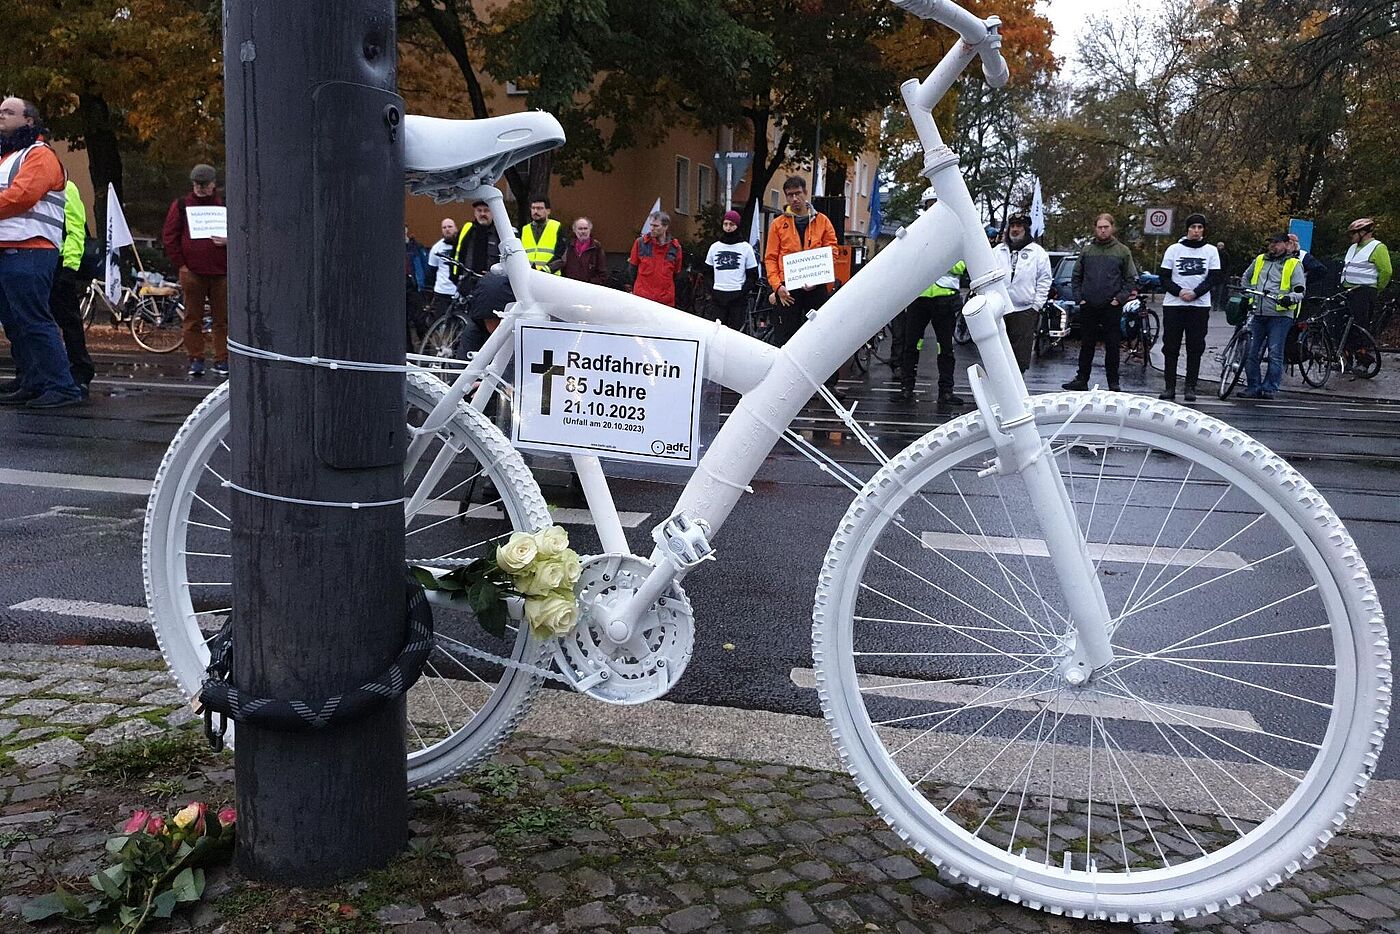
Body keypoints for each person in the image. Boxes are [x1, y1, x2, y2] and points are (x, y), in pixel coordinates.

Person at [0, 97, 84, 408]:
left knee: (34, 320)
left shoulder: (40, 155)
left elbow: (22, 196)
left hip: (31, 249)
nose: (1, 116)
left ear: (30, 121)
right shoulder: (11, 156)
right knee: (16, 322)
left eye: (9, 112)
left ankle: (62, 386)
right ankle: (33, 381)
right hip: (12, 250)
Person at [897, 189, 966, 407]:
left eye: (936, 204)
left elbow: (962, 265)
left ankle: (946, 391)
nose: (933, 208)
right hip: (920, 298)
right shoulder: (916, 232)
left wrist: (939, 260)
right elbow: (907, 261)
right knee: (910, 346)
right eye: (929, 204)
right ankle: (906, 389)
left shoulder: (955, 233)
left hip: (945, 299)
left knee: (945, 347)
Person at [162, 164, 228, 378]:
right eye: (196, 184)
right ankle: (196, 358)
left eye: (204, 185)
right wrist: (181, 264)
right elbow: (170, 236)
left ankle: (222, 358)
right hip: (193, 272)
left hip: (222, 272)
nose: (199, 188)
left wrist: (229, 241)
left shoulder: (225, 204)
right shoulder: (182, 205)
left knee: (222, 319)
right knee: (192, 318)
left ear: (213, 185)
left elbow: (242, 229)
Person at [1063, 213, 1137, 392]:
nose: (1103, 231)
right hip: (1089, 305)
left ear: (1112, 228)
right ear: (1095, 228)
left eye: (1106, 227)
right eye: (1099, 227)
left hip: (1111, 306)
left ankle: (1113, 381)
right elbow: (1076, 276)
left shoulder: (1122, 251)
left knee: (1112, 344)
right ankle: (1081, 379)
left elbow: (1131, 279)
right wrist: (1079, 298)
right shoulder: (1087, 251)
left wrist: (1118, 299)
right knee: (1087, 343)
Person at [764, 175, 838, 346]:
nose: (794, 199)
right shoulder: (778, 224)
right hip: (787, 289)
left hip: (816, 286)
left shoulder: (822, 221)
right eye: (790, 195)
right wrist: (777, 287)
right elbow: (770, 258)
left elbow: (832, 251)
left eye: (798, 193)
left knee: (820, 334)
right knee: (786, 337)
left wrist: (818, 278)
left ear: (806, 193)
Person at [1157, 213, 1221, 402]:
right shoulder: (1173, 250)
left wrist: (1196, 293)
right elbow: (1164, 276)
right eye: (1193, 227)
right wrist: (1179, 292)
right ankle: (1170, 386)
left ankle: (1190, 386)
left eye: (1200, 228)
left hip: (1199, 305)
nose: (1196, 231)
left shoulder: (1210, 251)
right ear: (1187, 229)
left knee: (1195, 346)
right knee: (1170, 346)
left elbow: (1213, 278)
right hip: (1174, 304)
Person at [1239, 232, 1306, 399]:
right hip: (1258, 311)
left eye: (1276, 243)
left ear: (1286, 244)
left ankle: (1270, 388)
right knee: (1251, 351)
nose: (1273, 246)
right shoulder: (1260, 260)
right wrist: (1248, 294)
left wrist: (1290, 298)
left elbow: (1300, 290)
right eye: (1271, 243)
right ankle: (1253, 386)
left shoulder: (1293, 264)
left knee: (1275, 352)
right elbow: (1246, 278)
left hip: (1281, 314)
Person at [49, 180, 95, 395]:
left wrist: (70, 266)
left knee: (69, 320)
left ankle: (81, 370)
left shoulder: (67, 187)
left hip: (60, 261)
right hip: (43, 258)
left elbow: (76, 229)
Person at [993, 213, 1052, 372]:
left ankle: (1018, 390)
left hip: (1025, 310)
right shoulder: (998, 251)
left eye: (1019, 226)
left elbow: (1044, 280)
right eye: (1012, 226)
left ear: (1025, 229)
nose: (1015, 230)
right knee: (998, 354)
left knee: (1020, 356)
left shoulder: (1038, 253)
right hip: (1000, 309)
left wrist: (1036, 306)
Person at [1339, 218, 1391, 351]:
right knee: (1345, 326)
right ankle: (1346, 358)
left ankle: (1363, 359)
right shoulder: (1352, 247)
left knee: (1361, 326)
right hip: (1348, 290)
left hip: (1364, 291)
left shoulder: (1378, 247)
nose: (1351, 236)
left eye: (1353, 233)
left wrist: (1376, 288)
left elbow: (1386, 271)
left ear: (1363, 232)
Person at [704, 209, 758, 331]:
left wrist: (742, 292)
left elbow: (753, 275)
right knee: (717, 332)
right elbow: (707, 272)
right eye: (726, 224)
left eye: (731, 225)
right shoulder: (715, 247)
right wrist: (712, 291)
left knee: (734, 333)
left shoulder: (746, 248)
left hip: (737, 297)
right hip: (718, 296)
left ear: (737, 226)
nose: (728, 228)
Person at [629, 210, 684, 306]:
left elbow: (676, 274)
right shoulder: (640, 243)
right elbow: (632, 269)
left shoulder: (675, 248)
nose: (651, 228)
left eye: (656, 226)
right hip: (643, 299)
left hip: (665, 301)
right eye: (651, 225)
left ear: (665, 227)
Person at [422, 216, 459, 332]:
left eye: (450, 226)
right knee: (442, 324)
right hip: (442, 292)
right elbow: (431, 271)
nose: (447, 229)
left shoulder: (462, 245)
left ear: (455, 228)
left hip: (459, 292)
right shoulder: (436, 248)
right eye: (444, 227)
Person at [522, 197, 564, 275]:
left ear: (548, 211)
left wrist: (545, 271)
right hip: (529, 276)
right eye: (533, 208)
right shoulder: (525, 229)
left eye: (539, 208)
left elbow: (562, 255)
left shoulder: (556, 226)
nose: (535, 211)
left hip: (550, 276)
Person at [562, 216, 608, 285]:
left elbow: (602, 273)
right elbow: (563, 268)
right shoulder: (568, 246)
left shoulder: (596, 247)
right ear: (574, 230)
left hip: (589, 289)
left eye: (585, 228)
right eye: (580, 229)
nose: (583, 231)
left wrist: (590, 283)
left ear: (590, 229)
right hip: (570, 287)